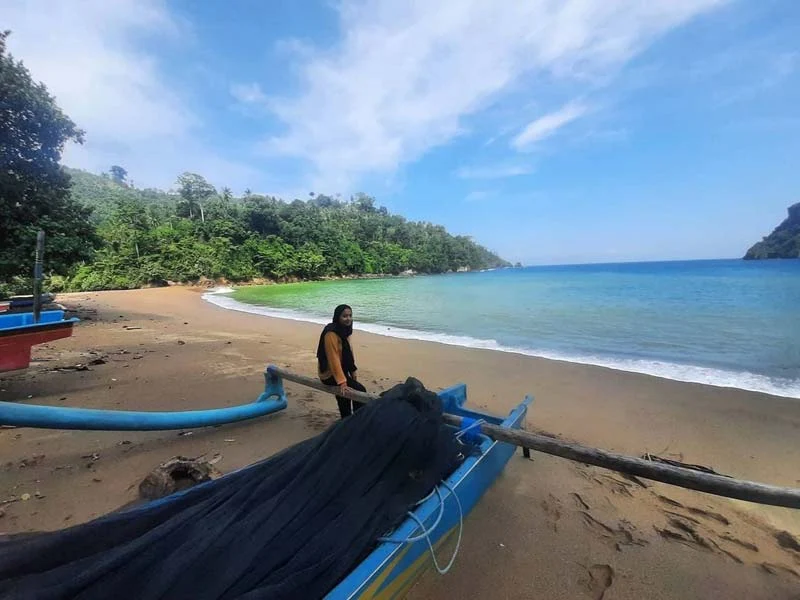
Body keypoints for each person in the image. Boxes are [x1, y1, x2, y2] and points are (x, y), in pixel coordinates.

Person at [317, 304, 367, 419]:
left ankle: (347, 419)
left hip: (342, 369)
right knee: (360, 390)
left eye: (350, 315)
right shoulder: (331, 332)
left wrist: (353, 371)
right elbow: (332, 358)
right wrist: (342, 381)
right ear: (337, 317)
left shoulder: (346, 330)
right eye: (344, 316)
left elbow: (349, 351)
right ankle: (358, 419)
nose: (348, 318)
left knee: (345, 394)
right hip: (329, 373)